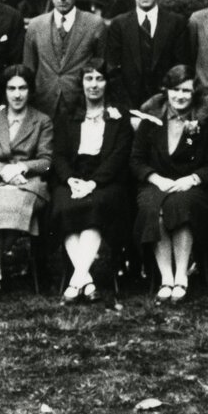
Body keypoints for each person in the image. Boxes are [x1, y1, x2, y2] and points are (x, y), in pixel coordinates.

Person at [130, 65, 208, 303]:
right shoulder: (151, 120)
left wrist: (191, 179)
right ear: (166, 91)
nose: (180, 96)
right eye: (175, 90)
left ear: (194, 94)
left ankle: (181, 276)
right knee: (154, 209)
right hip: (155, 184)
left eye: (186, 91)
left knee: (181, 205)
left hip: (190, 187)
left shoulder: (204, 121)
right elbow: (136, 160)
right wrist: (156, 179)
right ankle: (166, 278)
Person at [50, 59, 134, 305]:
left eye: (99, 79)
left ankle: (75, 282)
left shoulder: (117, 116)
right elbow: (59, 155)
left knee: (96, 207)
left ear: (107, 83)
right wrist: (71, 180)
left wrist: (94, 183)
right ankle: (86, 280)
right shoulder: (68, 115)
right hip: (73, 178)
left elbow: (119, 156)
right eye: (89, 79)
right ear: (82, 83)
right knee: (63, 206)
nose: (94, 85)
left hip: (107, 180)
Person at [0, 64, 54, 299]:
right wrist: (4, 171)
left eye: (23, 88)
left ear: (30, 91)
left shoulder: (42, 121)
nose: (17, 94)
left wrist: (23, 167)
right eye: (11, 88)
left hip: (27, 183)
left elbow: (47, 160)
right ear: (4, 91)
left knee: (14, 207)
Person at [23, 0, 107, 119]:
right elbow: (28, 72)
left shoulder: (94, 24)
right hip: (42, 111)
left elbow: (102, 70)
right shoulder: (35, 26)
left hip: (80, 112)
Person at [105, 0, 190, 110]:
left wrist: (164, 106)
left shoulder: (176, 24)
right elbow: (113, 72)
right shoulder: (119, 25)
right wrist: (128, 111)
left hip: (166, 108)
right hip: (128, 109)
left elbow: (181, 70)